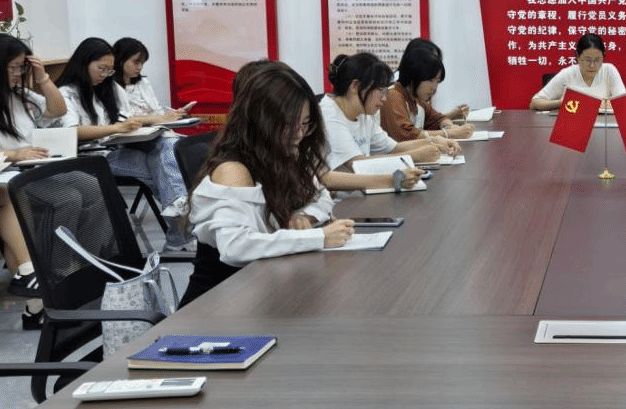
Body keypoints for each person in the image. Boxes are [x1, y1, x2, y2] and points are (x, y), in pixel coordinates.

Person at [181, 63, 355, 306]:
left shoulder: (284, 152)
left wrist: (305, 215)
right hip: (218, 305)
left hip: (264, 290)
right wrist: (319, 237)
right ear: (260, 122)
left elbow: (321, 194)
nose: (299, 134)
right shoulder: (233, 170)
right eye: (289, 124)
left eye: (305, 124)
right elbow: (236, 247)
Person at [55, 37, 190, 248]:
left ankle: (178, 230)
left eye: (109, 70)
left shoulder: (107, 87)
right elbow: (71, 132)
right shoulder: (66, 93)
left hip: (114, 150)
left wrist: (130, 126)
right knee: (165, 168)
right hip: (90, 158)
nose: (105, 75)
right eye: (101, 68)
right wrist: (116, 128)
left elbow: (125, 119)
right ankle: (179, 230)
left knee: (165, 149)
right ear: (83, 63)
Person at [0, 34, 67, 326]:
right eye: (13, 67)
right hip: (8, 178)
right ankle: (36, 283)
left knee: (75, 194)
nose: (18, 73)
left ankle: (40, 282)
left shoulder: (19, 95)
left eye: (21, 67)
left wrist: (43, 79)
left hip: (18, 175)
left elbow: (58, 111)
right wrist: (14, 154)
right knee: (13, 197)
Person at [319, 52, 436, 190]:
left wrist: (434, 142)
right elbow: (358, 164)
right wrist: (416, 155)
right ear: (355, 86)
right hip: (344, 199)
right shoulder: (329, 114)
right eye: (380, 90)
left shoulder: (362, 112)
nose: (384, 98)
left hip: (363, 191)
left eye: (386, 91)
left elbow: (392, 148)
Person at [380, 40, 475, 143]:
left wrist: (449, 126)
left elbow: (438, 119)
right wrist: (450, 133)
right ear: (414, 76)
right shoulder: (393, 96)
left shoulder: (416, 97)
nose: (434, 87)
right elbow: (407, 135)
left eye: (437, 81)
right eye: (430, 80)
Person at [530, 33, 626, 111]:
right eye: (587, 60)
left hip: (604, 125)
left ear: (603, 56)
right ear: (578, 57)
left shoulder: (609, 70)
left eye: (597, 60)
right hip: (573, 125)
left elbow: (623, 103)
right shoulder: (568, 74)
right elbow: (535, 103)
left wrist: (586, 103)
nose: (592, 65)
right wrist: (561, 103)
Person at [111, 36, 191, 126]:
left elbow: (157, 110)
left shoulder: (142, 82)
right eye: (136, 62)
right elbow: (123, 120)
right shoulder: (110, 86)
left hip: (155, 128)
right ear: (120, 60)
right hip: (134, 132)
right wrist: (162, 118)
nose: (140, 67)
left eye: (142, 63)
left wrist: (172, 115)